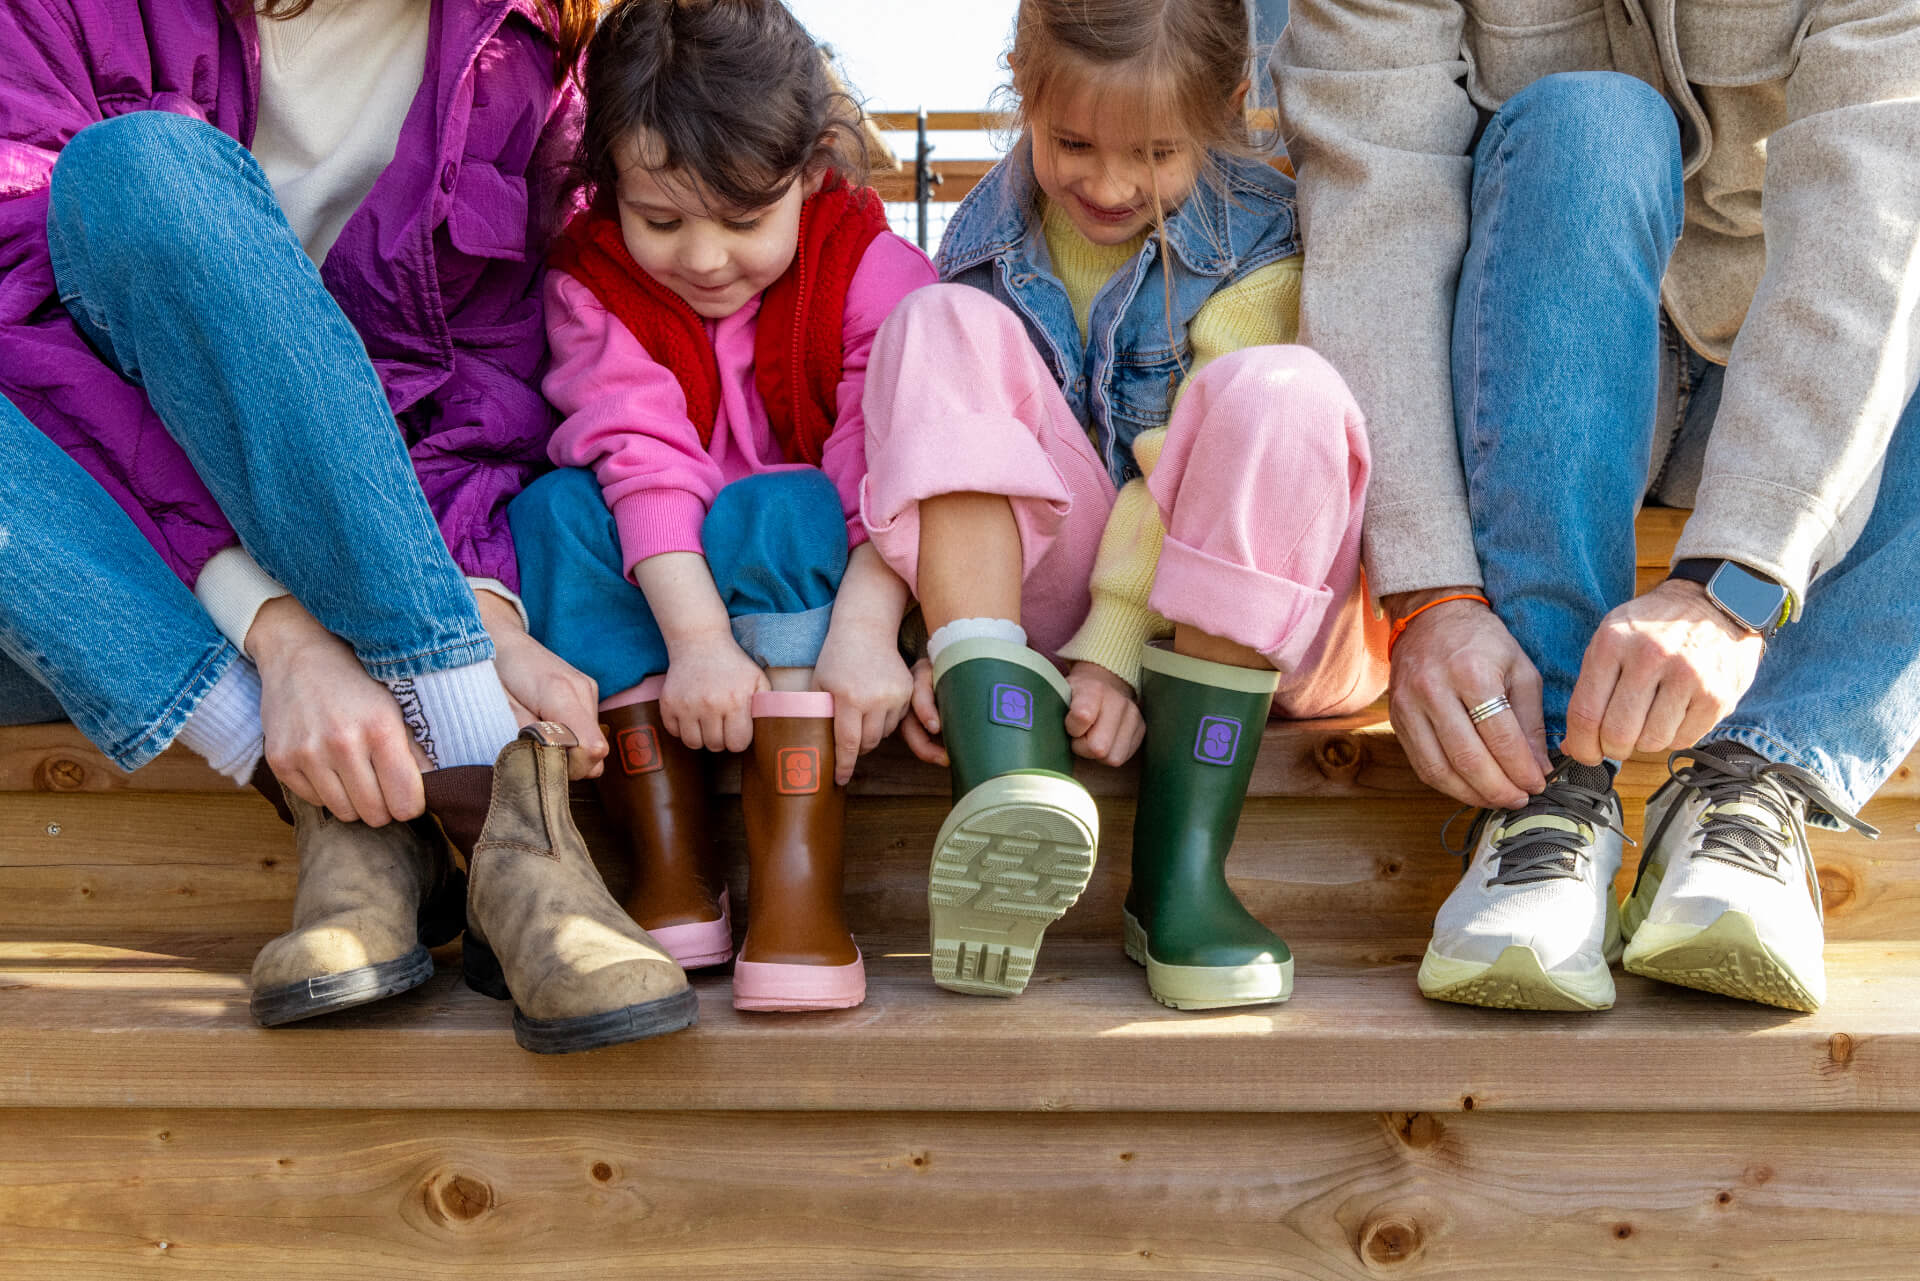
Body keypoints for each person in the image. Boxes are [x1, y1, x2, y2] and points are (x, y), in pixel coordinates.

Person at [0, 0, 695, 1053]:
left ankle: (493, 813)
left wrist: (483, 611)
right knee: (144, 169)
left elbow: (483, 383)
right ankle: (334, 787)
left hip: (399, 527)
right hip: (128, 527)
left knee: (150, 167)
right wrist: (275, 628)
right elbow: (30, 345)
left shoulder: (513, 48)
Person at [1275, 2, 1920, 1011]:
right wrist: (1430, 593)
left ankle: (1759, 781)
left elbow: (1872, 207)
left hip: (1795, 381)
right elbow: (1376, 215)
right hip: (1537, 358)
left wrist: (1734, 581)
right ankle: (1546, 797)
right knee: (1591, 122)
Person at [860, 0, 1387, 1008]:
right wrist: (930, 636)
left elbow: (1197, 464)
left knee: (1282, 390)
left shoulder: (1262, 234)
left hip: (1250, 616)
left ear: (1229, 106)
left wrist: (1111, 645)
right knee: (933, 323)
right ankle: (1005, 750)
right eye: (1070, 145)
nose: (1106, 185)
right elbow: (966, 452)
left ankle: (1181, 882)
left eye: (1152, 153)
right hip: (1064, 630)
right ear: (1022, 77)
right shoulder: (981, 241)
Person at [507, 0, 935, 1013]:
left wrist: (860, 636)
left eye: (744, 220)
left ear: (814, 169)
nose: (703, 258)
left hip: (820, 606)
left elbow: (886, 465)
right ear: (609, 186)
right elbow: (637, 454)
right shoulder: (594, 284)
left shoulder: (871, 269)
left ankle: (795, 886)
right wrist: (697, 640)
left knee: (776, 504)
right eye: (661, 220)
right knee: (557, 511)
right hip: (671, 608)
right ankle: (673, 864)